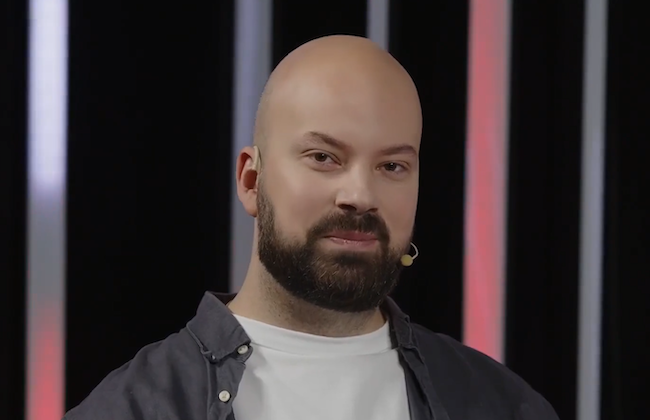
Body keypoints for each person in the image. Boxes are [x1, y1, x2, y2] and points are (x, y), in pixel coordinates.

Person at [64, 35, 559, 420]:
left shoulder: (502, 405)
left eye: (392, 166)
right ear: (251, 180)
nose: (360, 195)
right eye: (324, 157)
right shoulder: (133, 408)